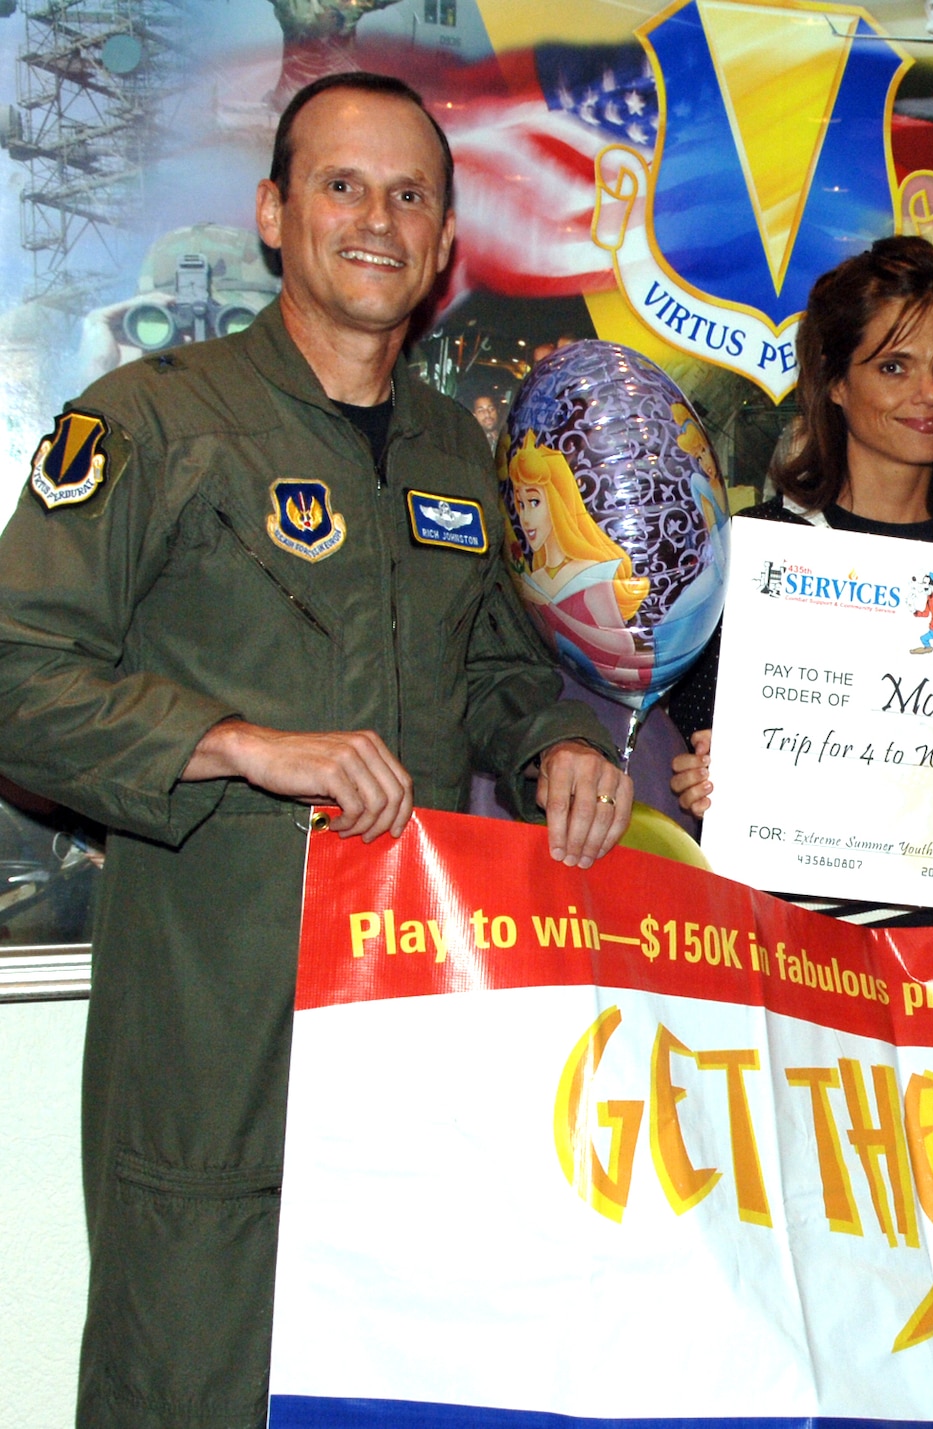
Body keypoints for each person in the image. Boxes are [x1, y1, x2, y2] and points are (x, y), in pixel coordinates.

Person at [0, 72, 632, 1424]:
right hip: (214, 1038)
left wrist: (565, 744)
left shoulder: (456, 458)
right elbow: (13, 675)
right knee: (191, 1390)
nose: (377, 220)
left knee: (389, 1395)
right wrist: (231, 744)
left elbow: (502, 668)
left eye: (412, 194)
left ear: (447, 238)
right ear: (274, 214)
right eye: (342, 185)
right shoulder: (150, 422)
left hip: (407, 1043)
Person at [667, 236, 933, 853]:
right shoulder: (751, 557)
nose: (930, 393)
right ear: (833, 382)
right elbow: (692, 742)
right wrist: (704, 781)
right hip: (800, 937)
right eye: (893, 367)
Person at [507, 432, 655, 691]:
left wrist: (558, 617)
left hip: (608, 699)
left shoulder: (590, 574)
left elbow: (624, 646)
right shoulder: (532, 580)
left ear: (558, 502)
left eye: (534, 502)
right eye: (520, 505)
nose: (526, 517)